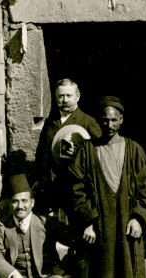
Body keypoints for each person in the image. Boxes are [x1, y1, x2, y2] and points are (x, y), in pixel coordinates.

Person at [68, 96, 146, 278]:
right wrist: (89, 222)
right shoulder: (87, 151)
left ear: (121, 120)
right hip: (99, 229)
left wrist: (139, 218)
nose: (109, 125)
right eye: (105, 120)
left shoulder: (134, 151)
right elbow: (77, 190)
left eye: (113, 120)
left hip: (127, 226)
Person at [33, 79, 101, 217]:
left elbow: (98, 157)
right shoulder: (50, 123)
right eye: (60, 96)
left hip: (76, 194)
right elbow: (41, 156)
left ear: (78, 96)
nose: (64, 100)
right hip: (51, 194)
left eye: (68, 96)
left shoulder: (88, 123)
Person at [0, 173, 63, 278]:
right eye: (15, 201)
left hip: (39, 276)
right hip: (13, 276)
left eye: (24, 201)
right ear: (10, 203)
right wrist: (12, 273)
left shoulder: (44, 224)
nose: (20, 206)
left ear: (32, 203)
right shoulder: (1, 226)